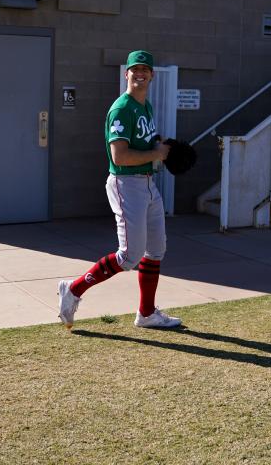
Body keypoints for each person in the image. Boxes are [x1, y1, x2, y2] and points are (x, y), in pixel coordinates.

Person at [57, 50, 182, 330]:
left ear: (152, 75)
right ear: (127, 74)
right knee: (129, 256)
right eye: (135, 69)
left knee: (156, 250)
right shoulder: (122, 108)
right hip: (127, 185)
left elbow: (146, 145)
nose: (140, 74)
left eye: (145, 70)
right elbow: (120, 157)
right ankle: (73, 289)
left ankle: (147, 313)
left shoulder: (145, 106)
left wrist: (163, 148)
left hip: (148, 184)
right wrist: (157, 154)